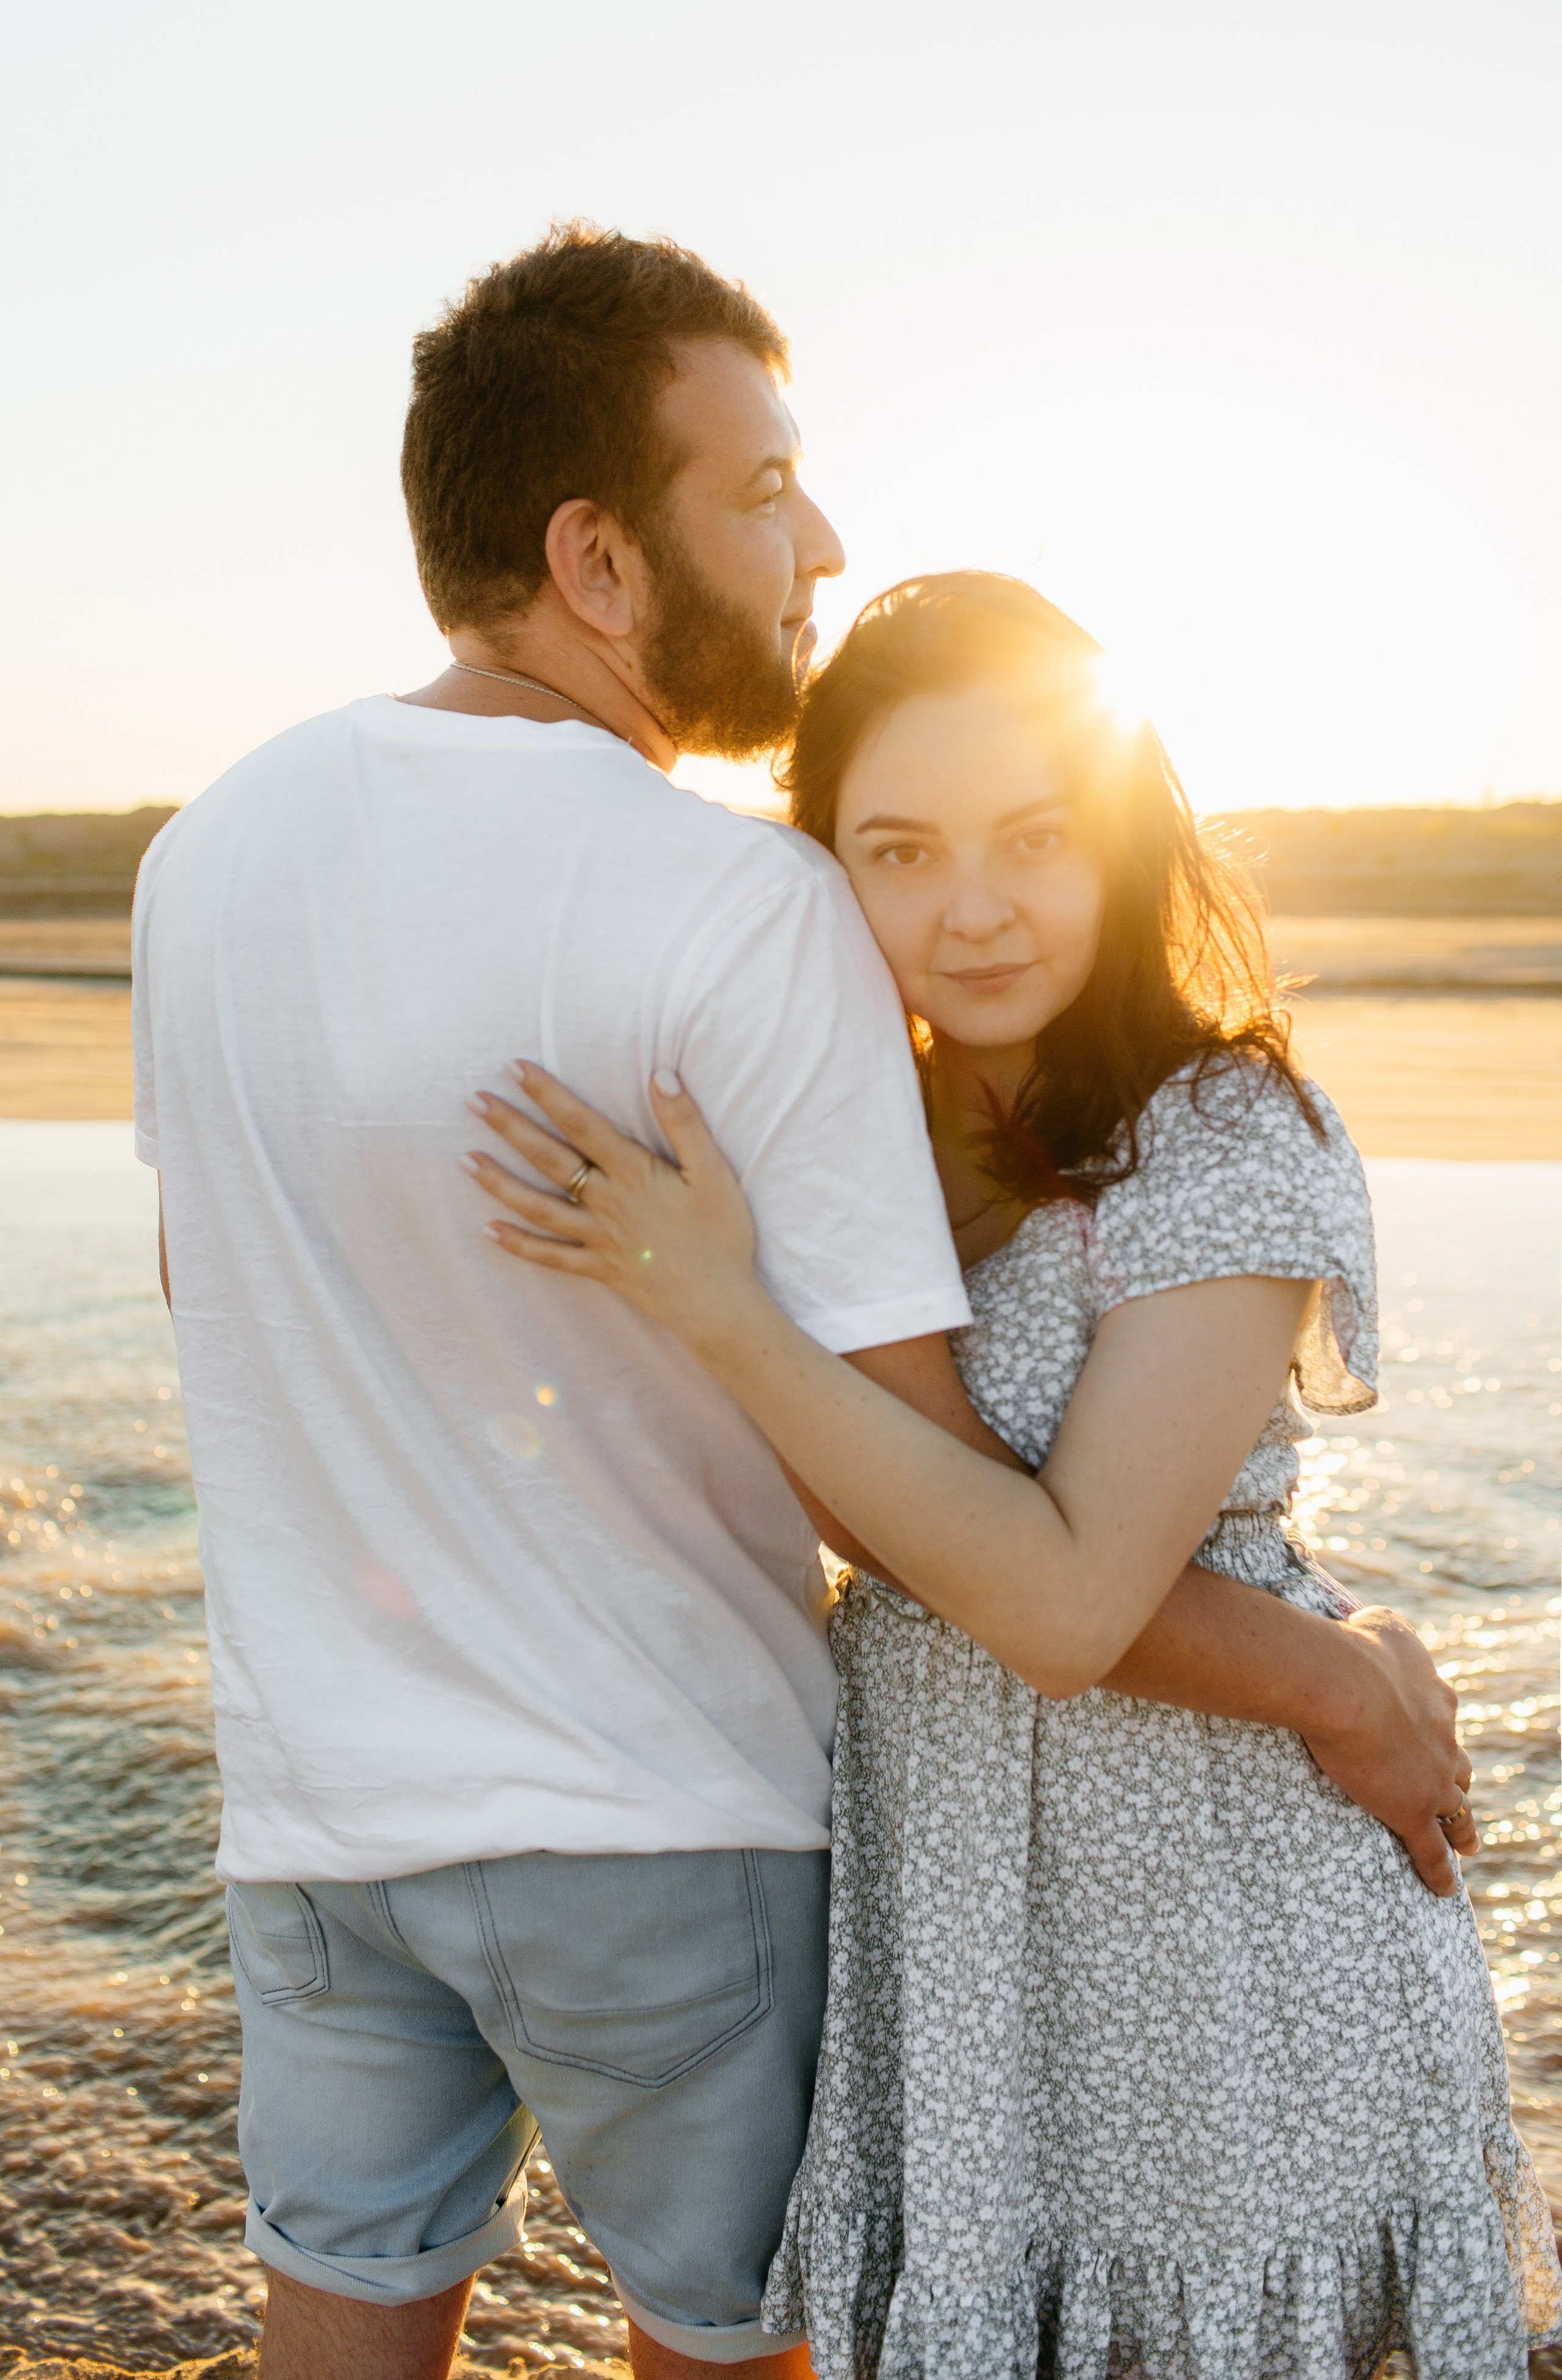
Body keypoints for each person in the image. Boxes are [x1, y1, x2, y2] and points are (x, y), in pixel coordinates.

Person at [135, 222, 1470, 2380]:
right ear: (596, 555)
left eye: (1035, 831)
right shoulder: (745, 912)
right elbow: (925, 1489)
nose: (815, 535)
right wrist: (1340, 1674)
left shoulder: (203, 856)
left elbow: (223, 1286)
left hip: (329, 1817)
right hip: (685, 1813)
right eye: (760, 490)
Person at [469, 573, 1561, 2380]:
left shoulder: (1221, 1134)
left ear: (1122, 837)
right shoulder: (830, 1141)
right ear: (821, 870)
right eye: (897, 851)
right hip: (961, 1902)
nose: (972, 912)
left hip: (1222, 1908)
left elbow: (1061, 1599)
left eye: (1035, 838)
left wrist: (725, 1316)